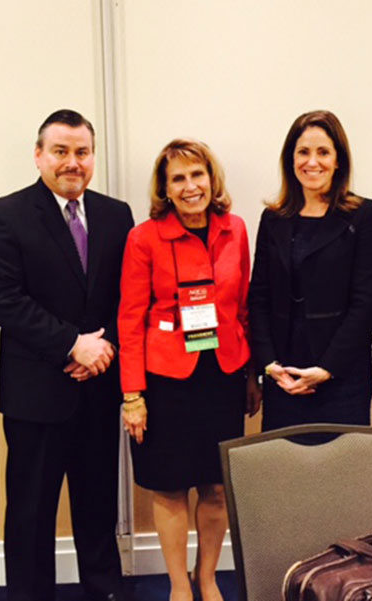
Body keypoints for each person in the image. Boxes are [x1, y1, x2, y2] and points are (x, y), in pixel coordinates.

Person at [0, 109, 133, 601]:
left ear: (92, 157)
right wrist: (73, 344)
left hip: (100, 386)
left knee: (97, 506)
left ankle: (105, 590)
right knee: (30, 511)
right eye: (61, 151)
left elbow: (124, 299)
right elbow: (3, 298)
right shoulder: (4, 214)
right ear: (39, 154)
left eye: (82, 152)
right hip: (37, 393)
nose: (72, 162)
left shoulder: (116, 214)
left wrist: (102, 350)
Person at [118, 139, 259, 601]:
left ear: (211, 178)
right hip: (165, 382)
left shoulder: (234, 228)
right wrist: (133, 395)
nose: (190, 186)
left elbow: (242, 308)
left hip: (222, 375)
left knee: (216, 487)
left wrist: (251, 374)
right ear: (165, 188)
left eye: (197, 175)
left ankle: (207, 576)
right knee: (170, 486)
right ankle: (179, 584)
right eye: (178, 178)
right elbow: (130, 319)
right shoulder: (144, 237)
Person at [248, 110, 372, 431]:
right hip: (283, 377)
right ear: (290, 159)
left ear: (339, 160)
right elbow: (259, 297)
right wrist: (269, 365)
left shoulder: (364, 216)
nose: (313, 162)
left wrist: (326, 368)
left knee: (340, 475)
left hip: (341, 377)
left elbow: (367, 303)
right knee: (287, 474)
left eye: (323, 152)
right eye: (303, 152)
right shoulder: (273, 219)